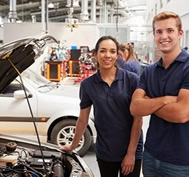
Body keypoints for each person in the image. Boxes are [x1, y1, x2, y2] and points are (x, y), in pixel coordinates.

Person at [130, 11, 189, 177]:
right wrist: (166, 100)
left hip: (181, 160)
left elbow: (182, 114)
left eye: (169, 31)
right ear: (154, 35)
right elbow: (135, 108)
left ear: (180, 34)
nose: (163, 36)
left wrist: (149, 104)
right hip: (151, 155)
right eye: (159, 32)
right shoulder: (149, 71)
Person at [60, 36, 143, 177]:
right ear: (95, 54)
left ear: (117, 55)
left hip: (131, 148)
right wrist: (73, 145)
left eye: (112, 51)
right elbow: (83, 119)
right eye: (103, 51)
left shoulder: (131, 80)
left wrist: (130, 154)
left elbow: (138, 119)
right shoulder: (88, 85)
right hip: (106, 150)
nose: (107, 56)